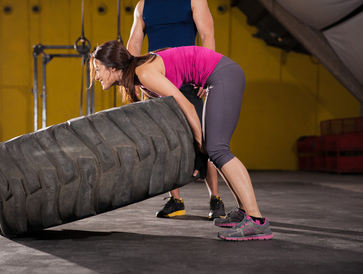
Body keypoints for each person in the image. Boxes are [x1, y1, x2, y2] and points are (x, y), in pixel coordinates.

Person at [89, 40, 273, 241]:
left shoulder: (144, 74)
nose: (96, 76)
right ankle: (244, 210)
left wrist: (201, 150)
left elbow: (188, 107)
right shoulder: (140, 77)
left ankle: (256, 220)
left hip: (223, 75)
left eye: (98, 69)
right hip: (221, 75)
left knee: (217, 149)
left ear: (114, 68)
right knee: (214, 150)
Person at [127, 0, 224, 220]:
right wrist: (133, 79)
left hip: (189, 77)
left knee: (204, 139)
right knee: (165, 142)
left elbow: (208, 34)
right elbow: (133, 46)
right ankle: (175, 200)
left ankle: (215, 198)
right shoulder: (143, 5)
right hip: (157, 80)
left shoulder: (194, 0)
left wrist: (205, 73)